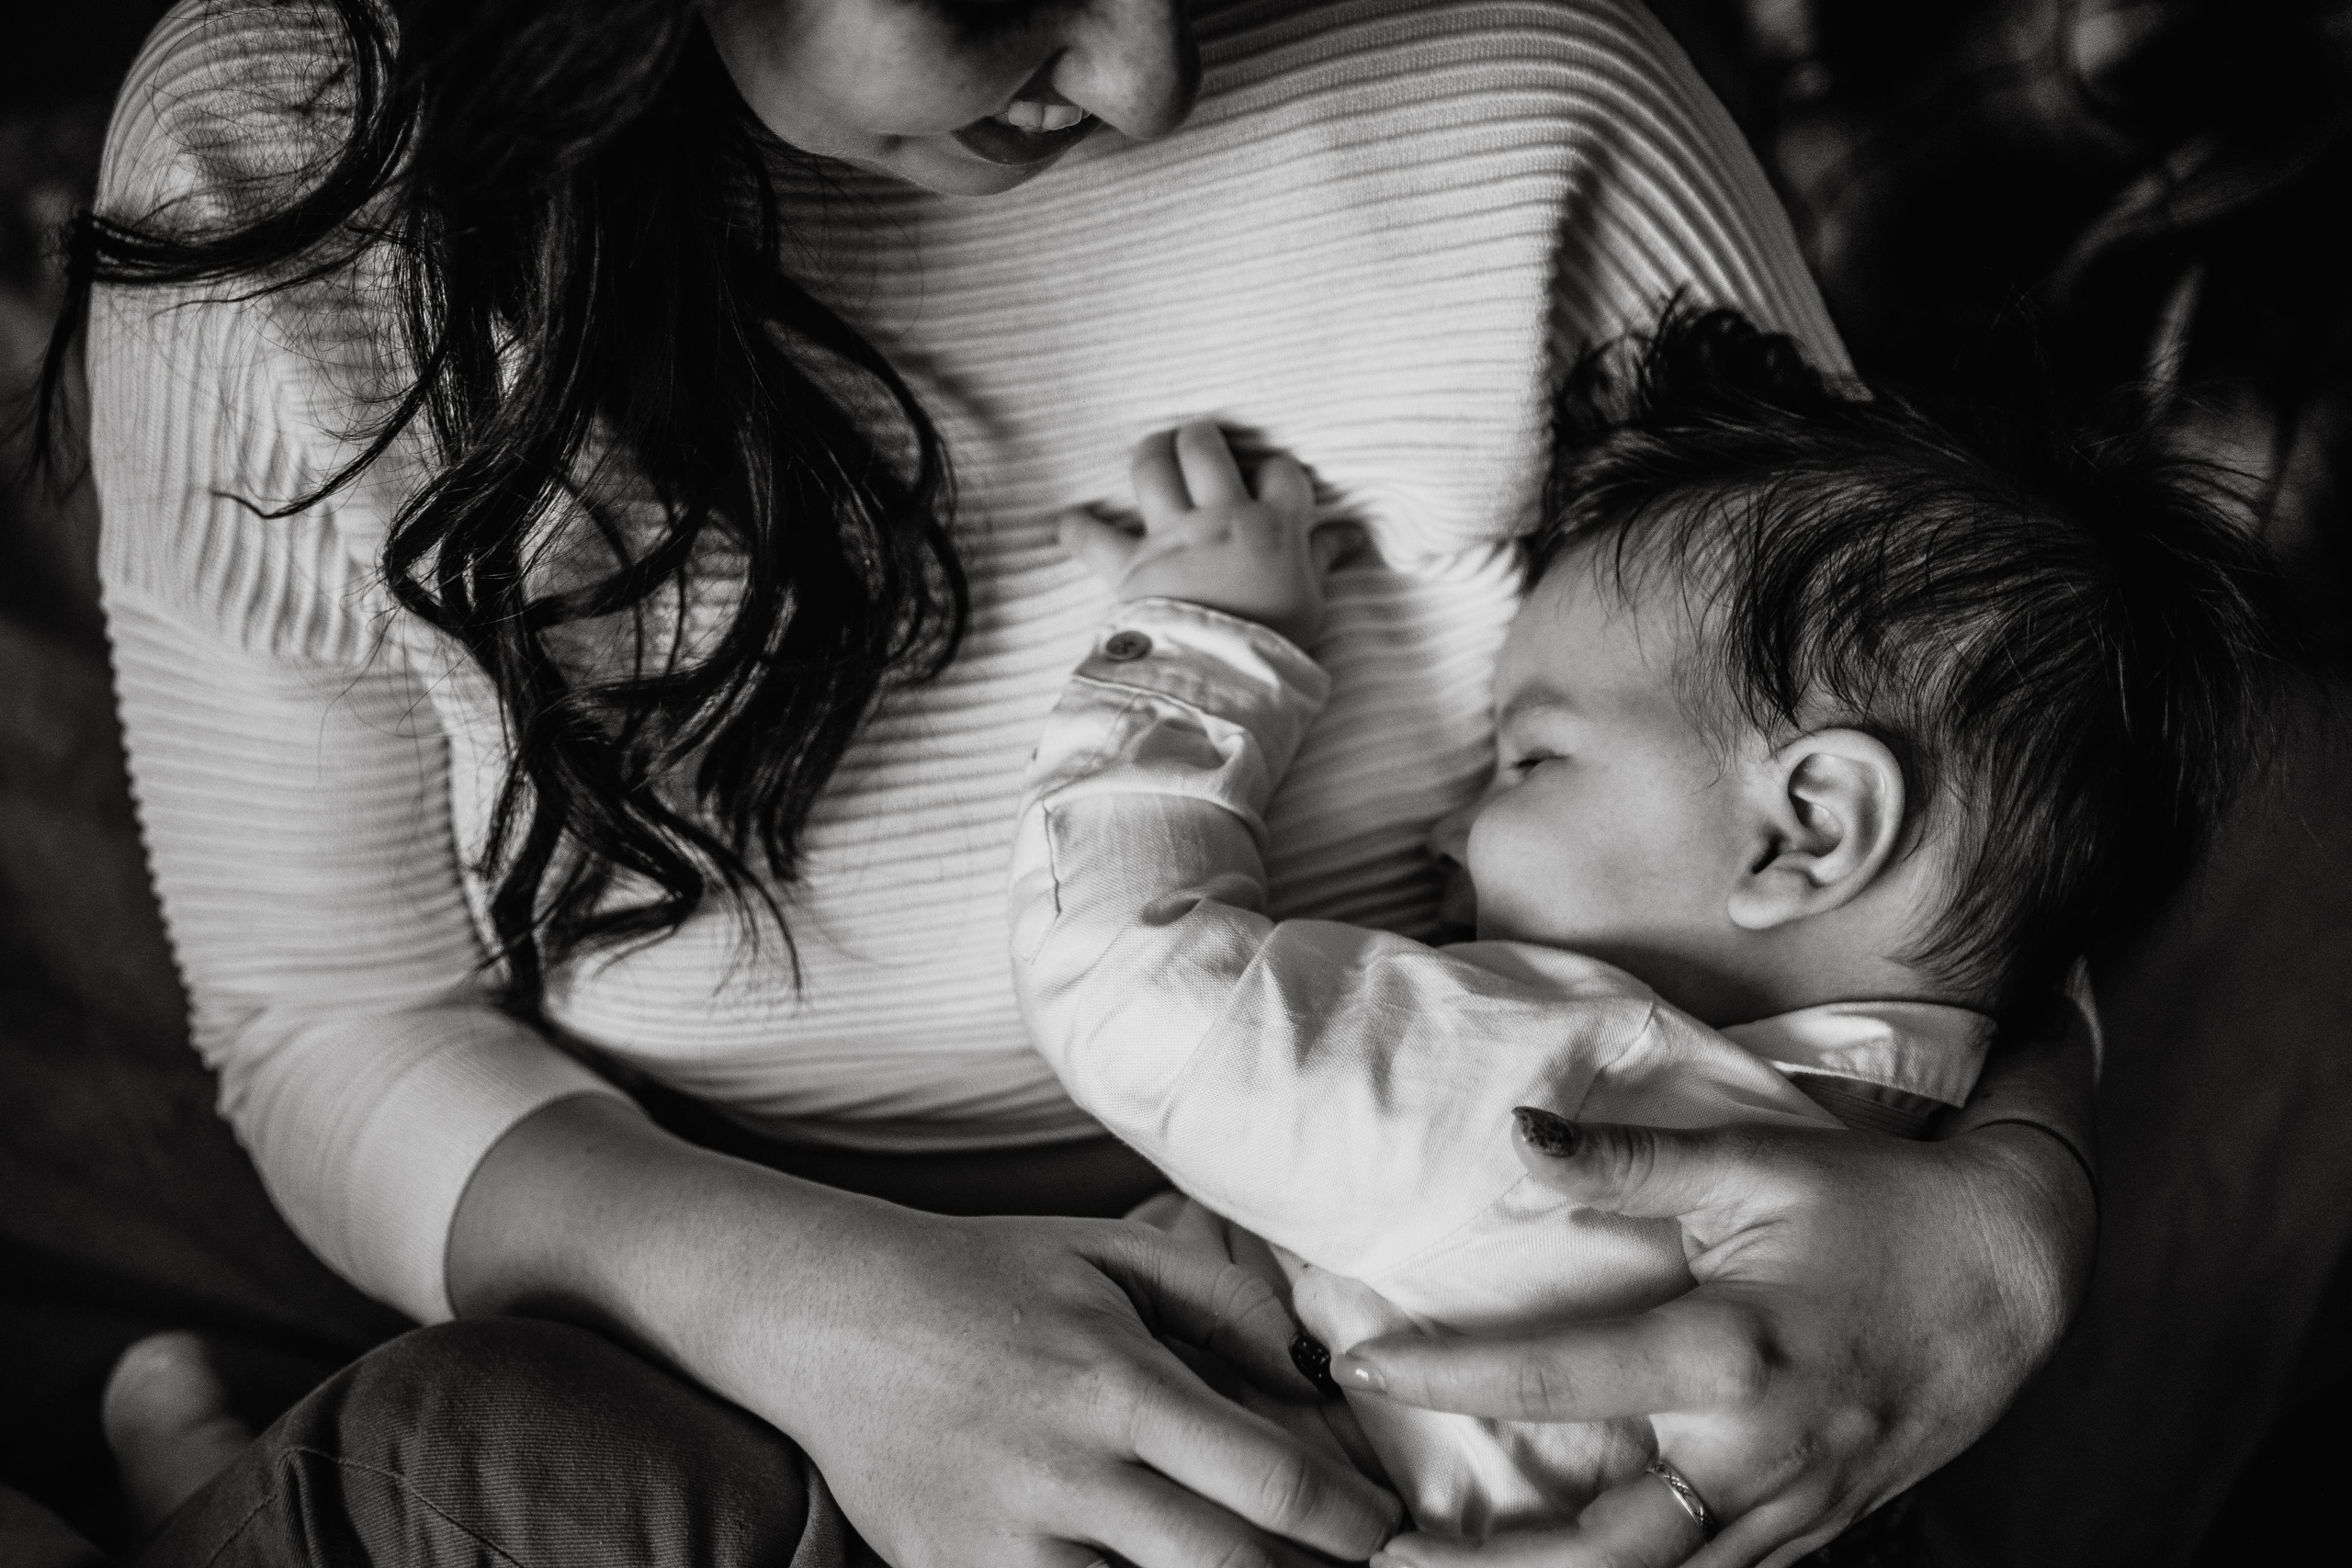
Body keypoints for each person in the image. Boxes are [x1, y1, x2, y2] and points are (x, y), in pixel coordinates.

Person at [60, 0, 2103, 1563]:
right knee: (464, 1460)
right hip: (705, 1304)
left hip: (1415, 1349)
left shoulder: (1537, 99)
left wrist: (1997, 1225)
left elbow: (1958, 770)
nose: (1140, 74)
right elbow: (327, 1024)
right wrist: (815, 1319)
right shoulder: (291, 163)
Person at [1011, 306, 2283, 1543]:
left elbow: (1135, 982)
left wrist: (1211, 646)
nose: (1441, 837)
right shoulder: (1908, 1190)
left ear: (1810, 830)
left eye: (1529, 761)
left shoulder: (1555, 1089)